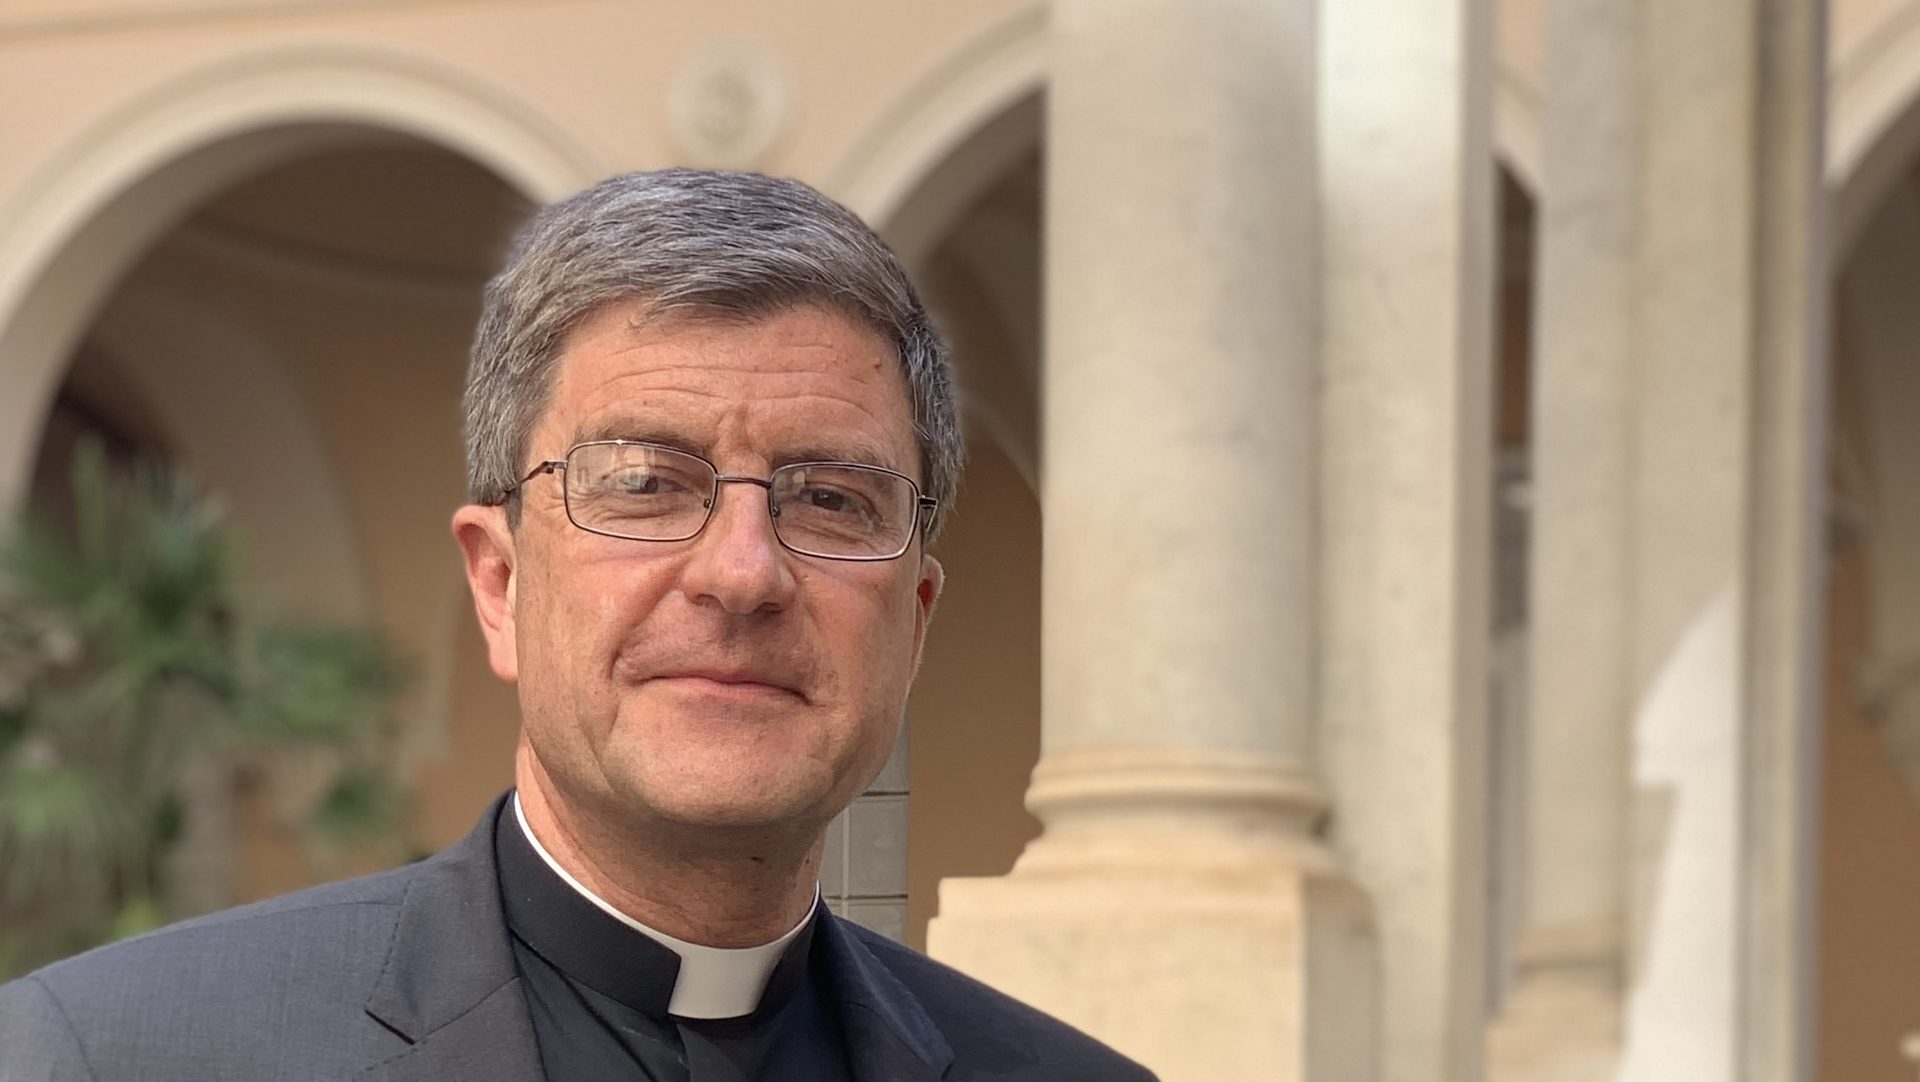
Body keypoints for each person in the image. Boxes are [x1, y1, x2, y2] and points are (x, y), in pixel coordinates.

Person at [0, 169, 1155, 1081]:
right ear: (499, 583)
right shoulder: (110, 1056)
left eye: (831, 498)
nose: (743, 573)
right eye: (646, 481)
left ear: (914, 619)